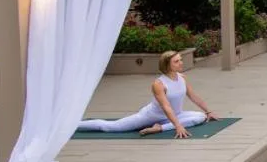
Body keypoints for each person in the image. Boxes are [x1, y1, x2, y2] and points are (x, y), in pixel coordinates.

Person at [76, 50, 216, 139]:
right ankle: (73, 125)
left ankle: (159, 128)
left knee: (200, 116)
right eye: (177, 61)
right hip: (151, 116)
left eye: (180, 59)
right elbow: (166, 106)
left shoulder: (182, 77)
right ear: (167, 65)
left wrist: (208, 111)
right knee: (111, 127)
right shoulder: (159, 84)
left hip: (174, 116)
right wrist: (178, 126)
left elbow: (193, 96)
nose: (181, 63)